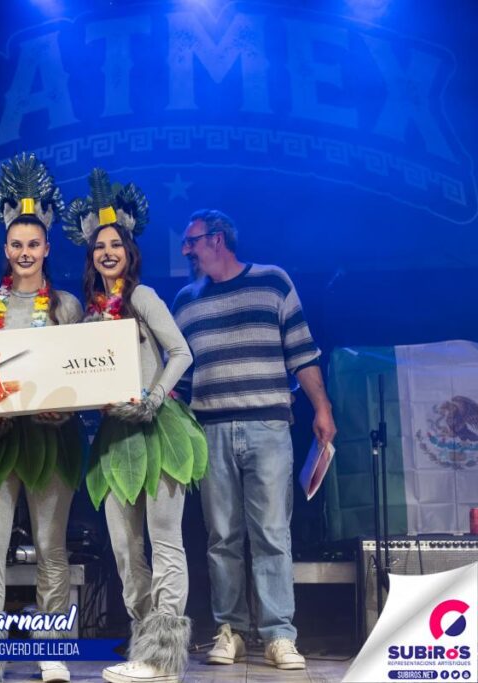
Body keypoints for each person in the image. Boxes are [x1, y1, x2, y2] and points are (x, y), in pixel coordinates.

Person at [172, 209, 337, 671]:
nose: (186, 250)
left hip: (268, 427)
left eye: (192, 241)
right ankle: (230, 631)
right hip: (208, 430)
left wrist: (322, 408)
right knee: (221, 536)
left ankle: (279, 634)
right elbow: (180, 377)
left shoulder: (273, 282)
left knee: (271, 534)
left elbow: (303, 353)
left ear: (217, 239)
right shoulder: (185, 301)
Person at [64, 169, 206, 683]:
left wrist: (153, 397)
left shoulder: (142, 297)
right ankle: (146, 645)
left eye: (115, 244)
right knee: (125, 550)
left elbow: (181, 352)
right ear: (91, 256)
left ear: (129, 251)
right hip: (115, 439)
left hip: (157, 430)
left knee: (164, 542)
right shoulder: (89, 316)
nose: (108, 252)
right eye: (99, 246)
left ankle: (163, 657)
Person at [0, 153, 84, 683]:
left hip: (50, 439)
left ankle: (51, 648)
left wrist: (65, 410)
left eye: (33, 244)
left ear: (47, 248)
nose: (25, 252)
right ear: (6, 249)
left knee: (50, 548)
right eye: (16, 244)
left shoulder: (67, 306)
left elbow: (80, 375)